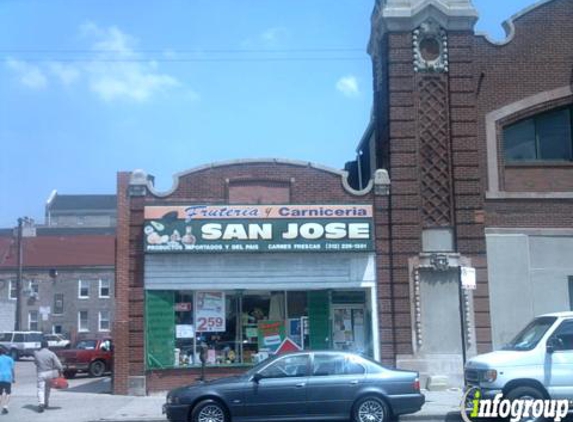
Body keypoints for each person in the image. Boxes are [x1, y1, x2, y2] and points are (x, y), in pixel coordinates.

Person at [34, 340, 63, 413]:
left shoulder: (37, 354)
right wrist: (60, 371)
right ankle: (46, 403)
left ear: (41, 346)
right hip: (50, 373)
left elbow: (35, 362)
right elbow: (58, 364)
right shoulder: (51, 353)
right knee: (47, 389)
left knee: (40, 389)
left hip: (41, 373)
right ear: (47, 346)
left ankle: (41, 403)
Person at [0, 347, 15, 415]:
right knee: (8, 392)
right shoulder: (10, 359)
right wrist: (13, 378)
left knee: (0, 393)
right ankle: (5, 406)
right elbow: (12, 369)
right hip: (7, 377)